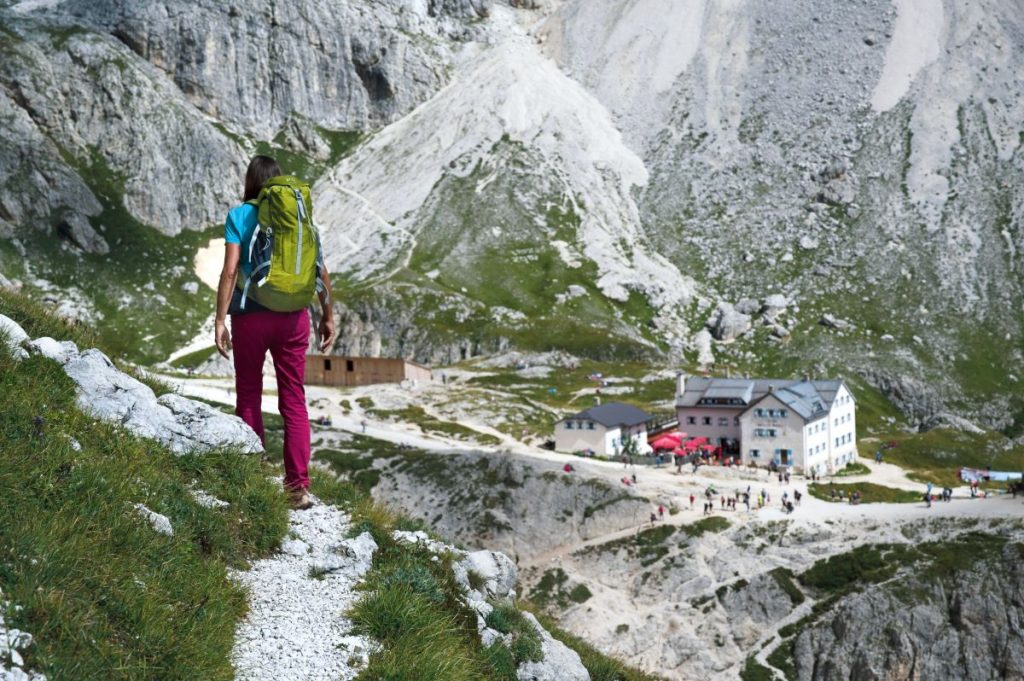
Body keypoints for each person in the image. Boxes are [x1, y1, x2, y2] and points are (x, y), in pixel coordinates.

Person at [215, 156, 336, 510]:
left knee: (249, 394)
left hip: (251, 317)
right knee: (294, 401)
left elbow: (230, 272)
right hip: (294, 318)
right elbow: (321, 272)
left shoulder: (239, 216)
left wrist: (220, 320)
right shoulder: (298, 217)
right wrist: (328, 317)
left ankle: (252, 475)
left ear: (251, 182)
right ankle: (297, 487)